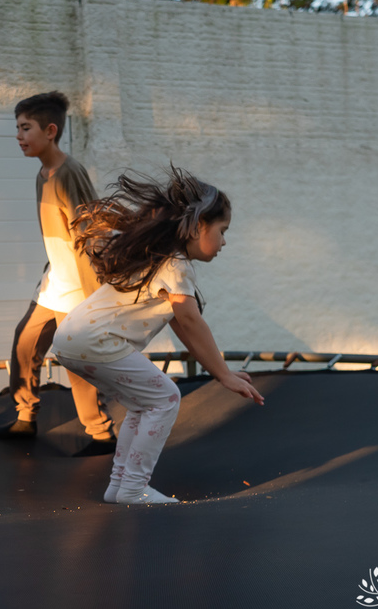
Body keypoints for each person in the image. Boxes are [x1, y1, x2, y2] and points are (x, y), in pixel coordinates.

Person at [53, 167, 264, 505]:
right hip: (96, 341)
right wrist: (224, 375)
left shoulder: (160, 260)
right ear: (198, 227)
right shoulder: (177, 265)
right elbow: (191, 320)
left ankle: (120, 486)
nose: (225, 241)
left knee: (143, 404)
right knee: (166, 398)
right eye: (222, 231)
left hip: (71, 339)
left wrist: (218, 371)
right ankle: (134, 488)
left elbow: (182, 326)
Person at [0, 91, 116, 456]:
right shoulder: (42, 174)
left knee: (75, 360)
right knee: (25, 344)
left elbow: (91, 229)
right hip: (55, 280)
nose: (19, 135)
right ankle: (25, 418)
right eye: (17, 128)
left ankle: (102, 433)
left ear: (51, 130)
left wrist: (98, 295)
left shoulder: (68, 173)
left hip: (77, 286)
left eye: (25, 128)